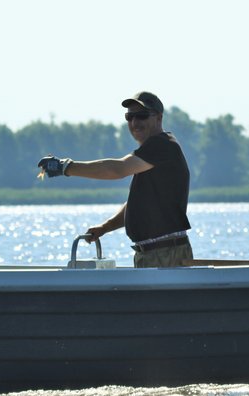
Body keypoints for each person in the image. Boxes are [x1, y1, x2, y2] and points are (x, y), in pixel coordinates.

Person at [38, 91, 193, 268]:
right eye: (130, 117)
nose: (135, 123)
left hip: (166, 254)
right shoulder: (149, 155)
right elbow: (138, 203)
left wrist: (65, 167)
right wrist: (105, 228)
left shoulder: (162, 145)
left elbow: (117, 169)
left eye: (141, 116)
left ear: (158, 118)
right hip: (152, 253)